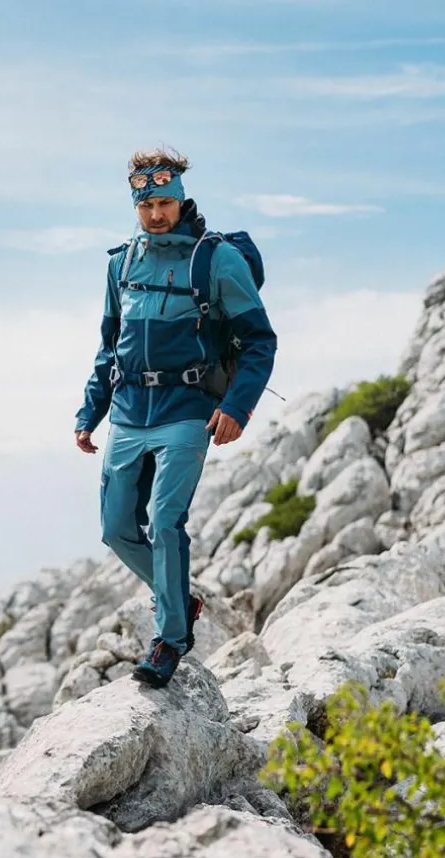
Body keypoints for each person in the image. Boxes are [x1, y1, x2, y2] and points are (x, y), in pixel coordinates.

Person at [74, 147, 276, 687]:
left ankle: (169, 640)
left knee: (165, 521)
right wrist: (89, 410)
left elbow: (260, 340)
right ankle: (181, 602)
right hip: (128, 412)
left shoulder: (214, 260)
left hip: (188, 411)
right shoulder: (121, 263)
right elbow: (108, 345)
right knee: (116, 529)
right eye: (147, 205)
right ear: (135, 205)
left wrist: (236, 407)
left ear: (181, 198)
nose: (157, 214)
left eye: (165, 202)